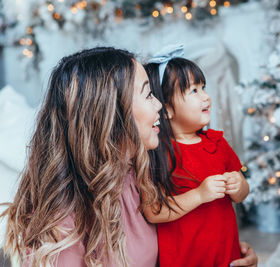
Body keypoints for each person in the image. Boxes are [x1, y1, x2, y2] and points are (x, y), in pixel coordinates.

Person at [1, 47, 257, 267]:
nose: (159, 105)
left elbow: (178, 240)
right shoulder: (65, 218)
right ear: (111, 114)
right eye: (148, 94)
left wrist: (228, 253)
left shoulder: (141, 174)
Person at [144, 45, 251, 267]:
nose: (206, 97)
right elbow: (155, 211)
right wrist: (200, 195)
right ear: (166, 110)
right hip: (185, 259)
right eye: (194, 91)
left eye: (203, 88)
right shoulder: (159, 151)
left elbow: (241, 195)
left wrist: (239, 185)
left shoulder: (217, 142)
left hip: (225, 254)